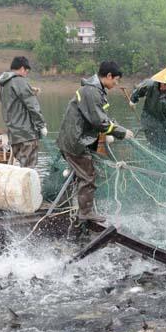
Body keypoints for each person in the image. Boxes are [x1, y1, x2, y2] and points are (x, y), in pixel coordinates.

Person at [57, 61, 134, 222]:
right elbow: (99, 122)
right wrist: (121, 132)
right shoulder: (92, 91)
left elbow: (101, 118)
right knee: (88, 176)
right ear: (108, 76)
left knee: (81, 175)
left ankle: (71, 206)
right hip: (75, 142)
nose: (116, 83)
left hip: (73, 139)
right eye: (116, 80)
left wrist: (114, 130)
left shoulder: (94, 89)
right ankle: (85, 212)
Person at [0, 56, 47, 168]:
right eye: (26, 72)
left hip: (14, 136)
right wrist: (41, 125)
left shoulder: (3, 84)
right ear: (22, 68)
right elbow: (33, 106)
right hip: (26, 135)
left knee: (23, 168)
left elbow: (11, 103)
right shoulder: (19, 81)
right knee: (28, 170)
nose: (26, 74)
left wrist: (30, 90)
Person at [128, 66, 166, 156]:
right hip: (148, 118)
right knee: (154, 144)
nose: (164, 86)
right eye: (163, 84)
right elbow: (138, 90)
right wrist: (133, 100)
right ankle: (153, 158)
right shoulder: (150, 84)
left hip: (163, 122)